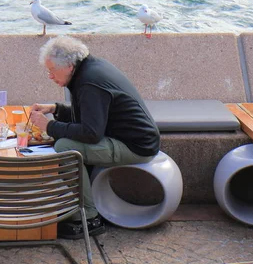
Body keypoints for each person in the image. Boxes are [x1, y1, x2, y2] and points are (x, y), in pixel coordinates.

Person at [29, 36, 160, 239]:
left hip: (135, 146)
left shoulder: (90, 83)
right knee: (64, 139)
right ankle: (76, 204)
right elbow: (93, 113)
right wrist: (56, 109)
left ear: (69, 66)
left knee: (65, 146)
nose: (50, 76)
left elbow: (90, 133)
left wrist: (49, 126)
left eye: (52, 71)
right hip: (131, 137)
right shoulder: (91, 69)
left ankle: (89, 219)